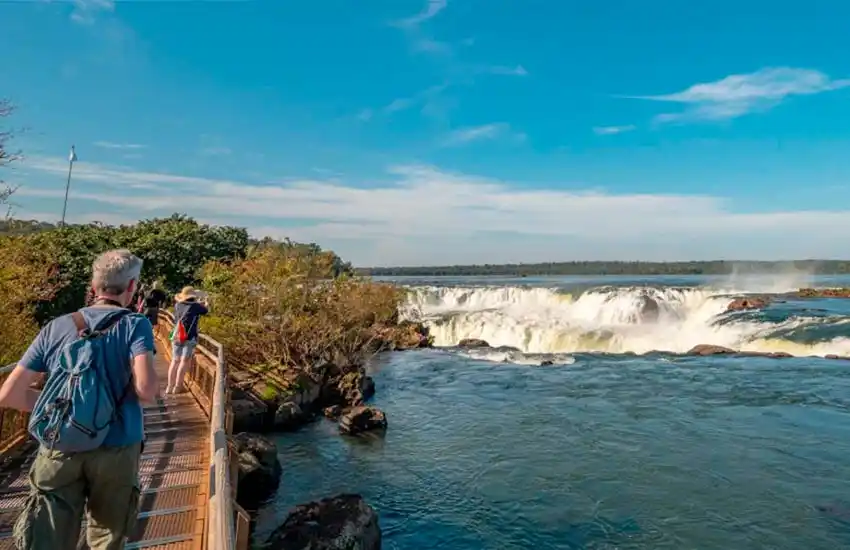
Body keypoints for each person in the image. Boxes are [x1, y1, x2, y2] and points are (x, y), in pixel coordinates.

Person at [0, 249, 159, 550]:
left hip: (60, 443)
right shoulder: (136, 325)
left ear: (93, 285)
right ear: (131, 286)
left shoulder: (57, 326)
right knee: (107, 537)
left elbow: (9, 394)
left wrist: (63, 409)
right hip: (117, 445)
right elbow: (147, 390)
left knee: (47, 538)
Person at [167, 286, 208, 395]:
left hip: (177, 335)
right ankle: (177, 387)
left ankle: (169, 387)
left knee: (175, 361)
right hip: (189, 337)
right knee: (184, 362)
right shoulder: (195, 306)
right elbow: (206, 311)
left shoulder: (177, 305)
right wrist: (205, 302)